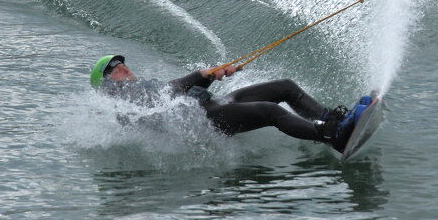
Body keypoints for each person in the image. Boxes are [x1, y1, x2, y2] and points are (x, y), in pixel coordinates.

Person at [89, 54, 372, 153]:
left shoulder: (141, 86)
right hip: (205, 123)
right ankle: (333, 137)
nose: (123, 68)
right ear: (108, 84)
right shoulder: (123, 102)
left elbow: (176, 93)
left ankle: (332, 120)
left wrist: (211, 77)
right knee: (270, 111)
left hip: (211, 106)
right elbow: (170, 91)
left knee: (283, 87)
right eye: (114, 69)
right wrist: (201, 74)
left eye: (122, 64)